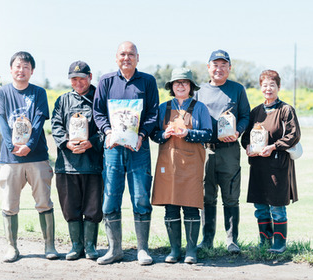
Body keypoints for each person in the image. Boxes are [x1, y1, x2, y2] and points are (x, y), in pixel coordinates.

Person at [93, 41, 159, 265]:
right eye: (122, 54)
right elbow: (98, 112)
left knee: (140, 197)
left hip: (138, 148)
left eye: (131, 54)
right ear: (116, 57)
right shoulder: (106, 81)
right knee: (110, 197)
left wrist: (142, 135)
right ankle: (115, 249)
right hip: (113, 148)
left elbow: (152, 113)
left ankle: (142, 250)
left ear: (138, 58)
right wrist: (108, 131)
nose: (126, 58)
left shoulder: (147, 81)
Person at [0, 51, 58, 262]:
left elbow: (39, 121)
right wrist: (12, 145)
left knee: (44, 202)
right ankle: (12, 248)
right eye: (18, 66)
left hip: (37, 157)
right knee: (9, 204)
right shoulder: (1, 93)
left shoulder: (38, 93)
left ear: (32, 71)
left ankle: (50, 246)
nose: (21, 71)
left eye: (26, 67)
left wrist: (29, 145)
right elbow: (1, 120)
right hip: (11, 159)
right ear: (11, 69)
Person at [150, 68, 212, 264]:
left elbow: (208, 134)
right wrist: (164, 134)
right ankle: (174, 250)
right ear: (171, 87)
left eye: (185, 82)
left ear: (191, 86)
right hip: (168, 163)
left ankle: (191, 250)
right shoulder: (163, 108)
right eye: (177, 83)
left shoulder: (200, 107)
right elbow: (154, 135)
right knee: (170, 206)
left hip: (192, 163)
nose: (181, 85)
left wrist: (189, 134)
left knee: (191, 206)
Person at [194, 50, 250, 253]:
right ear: (208, 67)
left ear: (229, 68)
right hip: (206, 151)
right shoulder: (199, 91)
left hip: (229, 151)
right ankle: (207, 239)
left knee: (231, 196)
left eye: (223, 65)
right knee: (206, 196)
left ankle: (231, 240)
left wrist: (238, 131)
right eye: (215, 65)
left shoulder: (237, 89)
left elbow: (245, 116)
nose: (219, 68)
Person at [241, 70, 300, 253]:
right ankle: (264, 241)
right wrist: (248, 147)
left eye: (272, 85)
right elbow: (245, 138)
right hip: (258, 167)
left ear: (279, 87)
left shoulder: (286, 110)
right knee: (260, 207)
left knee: (277, 207)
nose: (268, 89)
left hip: (278, 166)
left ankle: (279, 243)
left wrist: (273, 147)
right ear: (261, 87)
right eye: (265, 85)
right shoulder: (256, 111)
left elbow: (294, 135)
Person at [51, 61, 104, 260]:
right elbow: (56, 125)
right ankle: (76, 245)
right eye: (74, 79)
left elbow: (106, 128)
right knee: (70, 206)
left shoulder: (100, 98)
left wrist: (92, 142)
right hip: (67, 164)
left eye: (82, 78)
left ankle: (90, 246)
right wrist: (66, 143)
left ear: (90, 77)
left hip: (93, 164)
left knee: (93, 207)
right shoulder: (63, 100)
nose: (78, 82)